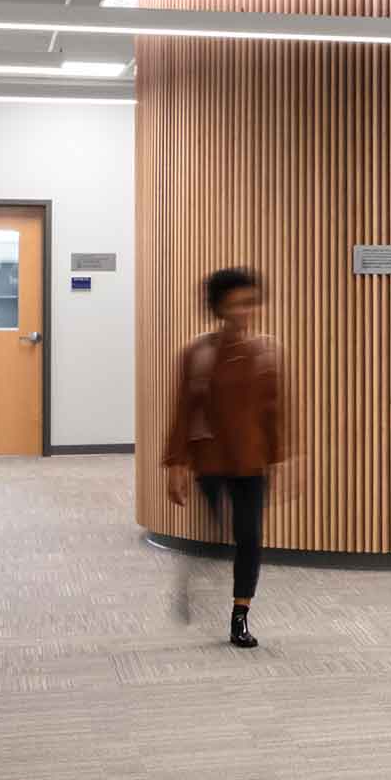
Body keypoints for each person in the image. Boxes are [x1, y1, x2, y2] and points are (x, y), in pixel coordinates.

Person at [162, 267, 291, 648]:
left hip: (252, 461)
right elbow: (183, 411)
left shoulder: (267, 351)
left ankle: (240, 617)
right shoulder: (197, 352)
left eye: (249, 303)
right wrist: (176, 464)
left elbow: (276, 412)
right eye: (235, 304)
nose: (243, 311)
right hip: (212, 459)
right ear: (218, 307)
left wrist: (284, 461)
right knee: (215, 536)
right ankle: (193, 579)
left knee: (249, 538)